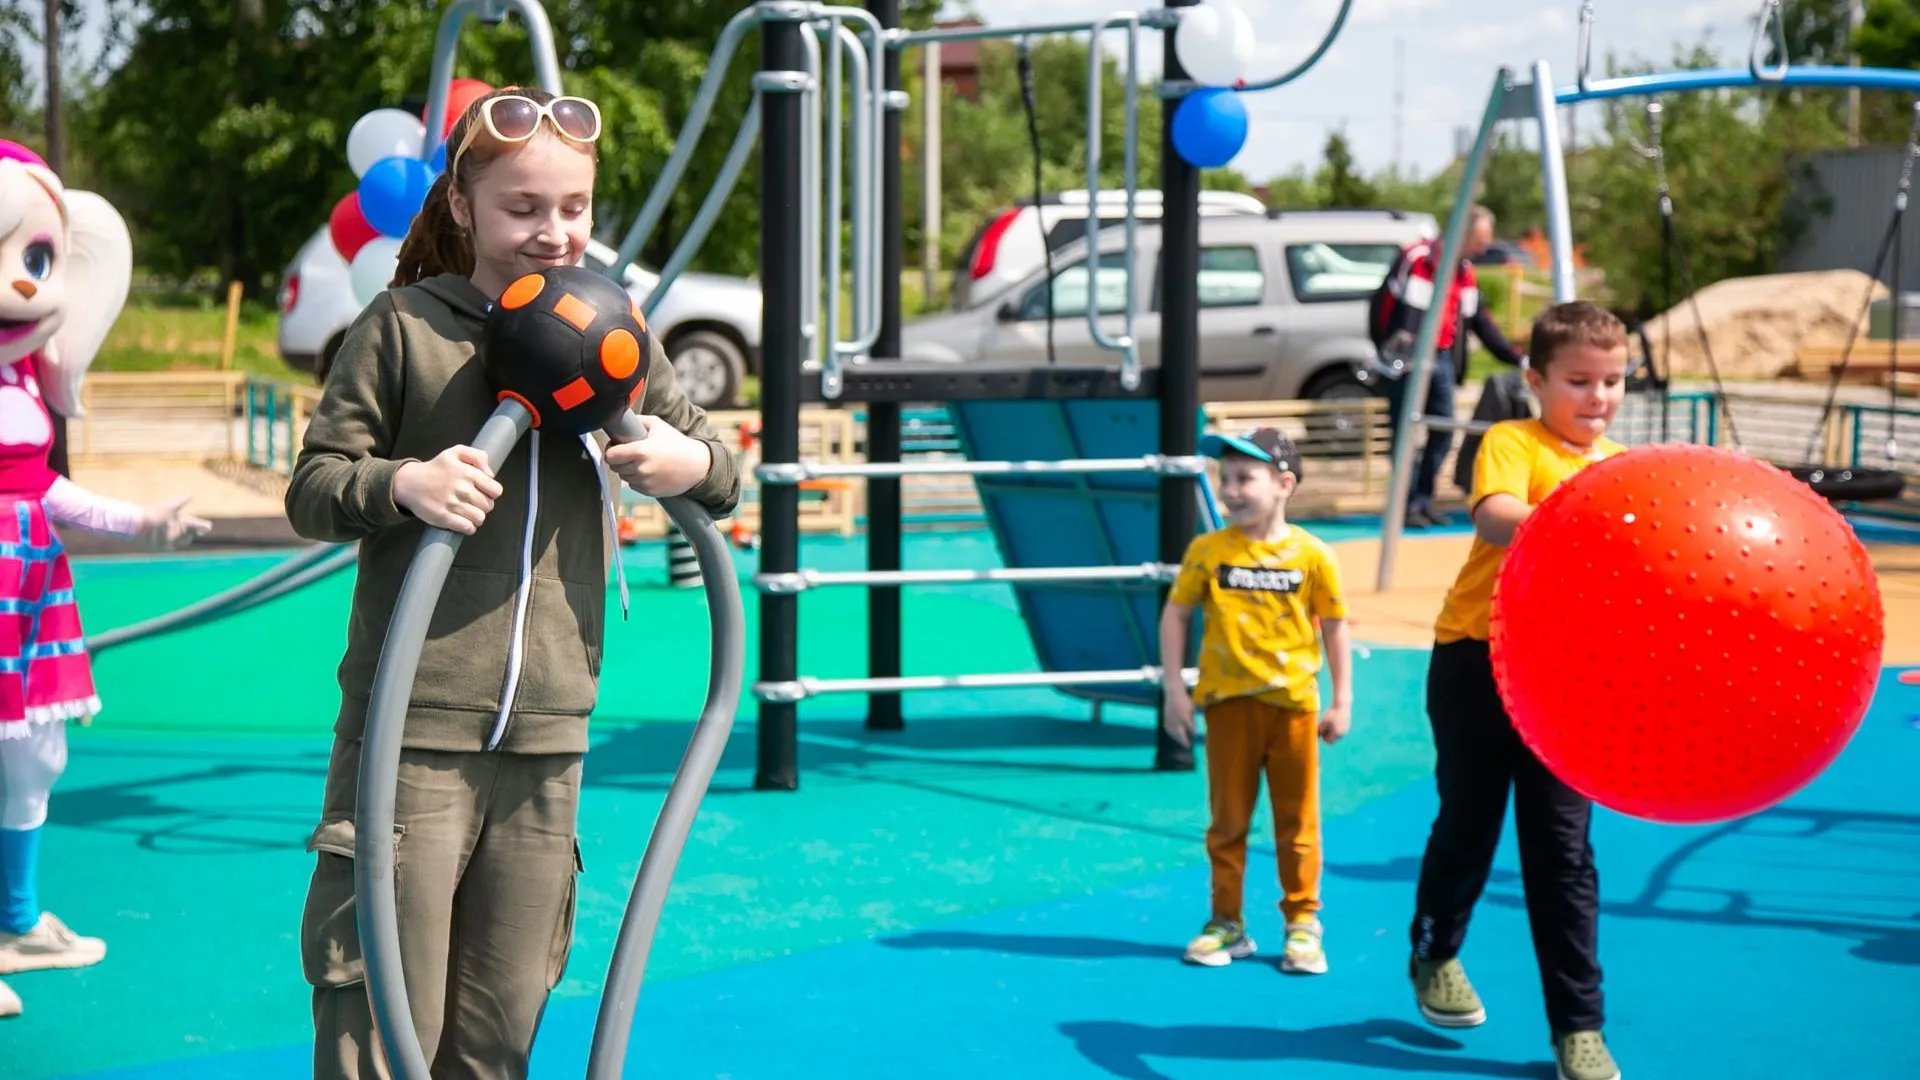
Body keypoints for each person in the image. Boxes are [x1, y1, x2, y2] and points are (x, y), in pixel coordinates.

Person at [285, 87, 739, 1079]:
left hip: (546, 739)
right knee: (381, 1014)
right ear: (461, 204)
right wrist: (405, 482)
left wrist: (685, 465)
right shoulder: (407, 327)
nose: (552, 231)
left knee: (501, 1025)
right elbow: (314, 486)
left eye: (572, 208)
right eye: (524, 208)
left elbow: (720, 460)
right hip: (414, 737)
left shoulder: (613, 329)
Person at [0, 143, 212, 1019]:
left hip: (26, 600)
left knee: (34, 757)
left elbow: (44, 488)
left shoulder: (23, 389)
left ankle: (14, 920)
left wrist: (143, 520)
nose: (21, 285)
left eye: (37, 259)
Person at [1405, 300, 1629, 1080]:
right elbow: (1498, 516)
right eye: (1579, 381)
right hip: (1477, 663)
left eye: (1612, 381)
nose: (1598, 397)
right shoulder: (1514, 442)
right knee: (1469, 824)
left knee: (1563, 856)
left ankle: (1578, 1028)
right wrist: (1576, 523)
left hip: (1567, 684)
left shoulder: (1625, 470)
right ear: (1535, 380)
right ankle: (1435, 948)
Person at [1159, 427, 1352, 975]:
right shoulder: (1208, 550)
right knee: (1227, 822)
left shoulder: (1314, 555)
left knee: (1298, 823)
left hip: (1293, 706)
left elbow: (1335, 626)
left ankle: (1302, 923)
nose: (1232, 489)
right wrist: (1175, 687)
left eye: (1246, 478)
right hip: (1227, 706)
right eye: (1226, 478)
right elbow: (1175, 613)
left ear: (1283, 483)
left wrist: (1343, 701)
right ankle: (1226, 922)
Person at [1368, 205, 1528, 528]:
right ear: (1461, 233)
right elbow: (1399, 317)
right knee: (1405, 434)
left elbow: (1479, 321)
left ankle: (1422, 499)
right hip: (1407, 362)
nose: (1484, 248)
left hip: (1440, 359)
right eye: (1479, 240)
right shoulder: (1419, 261)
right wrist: (1395, 359)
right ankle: (1404, 504)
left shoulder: (1464, 271)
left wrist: (1517, 357)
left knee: (1442, 430)